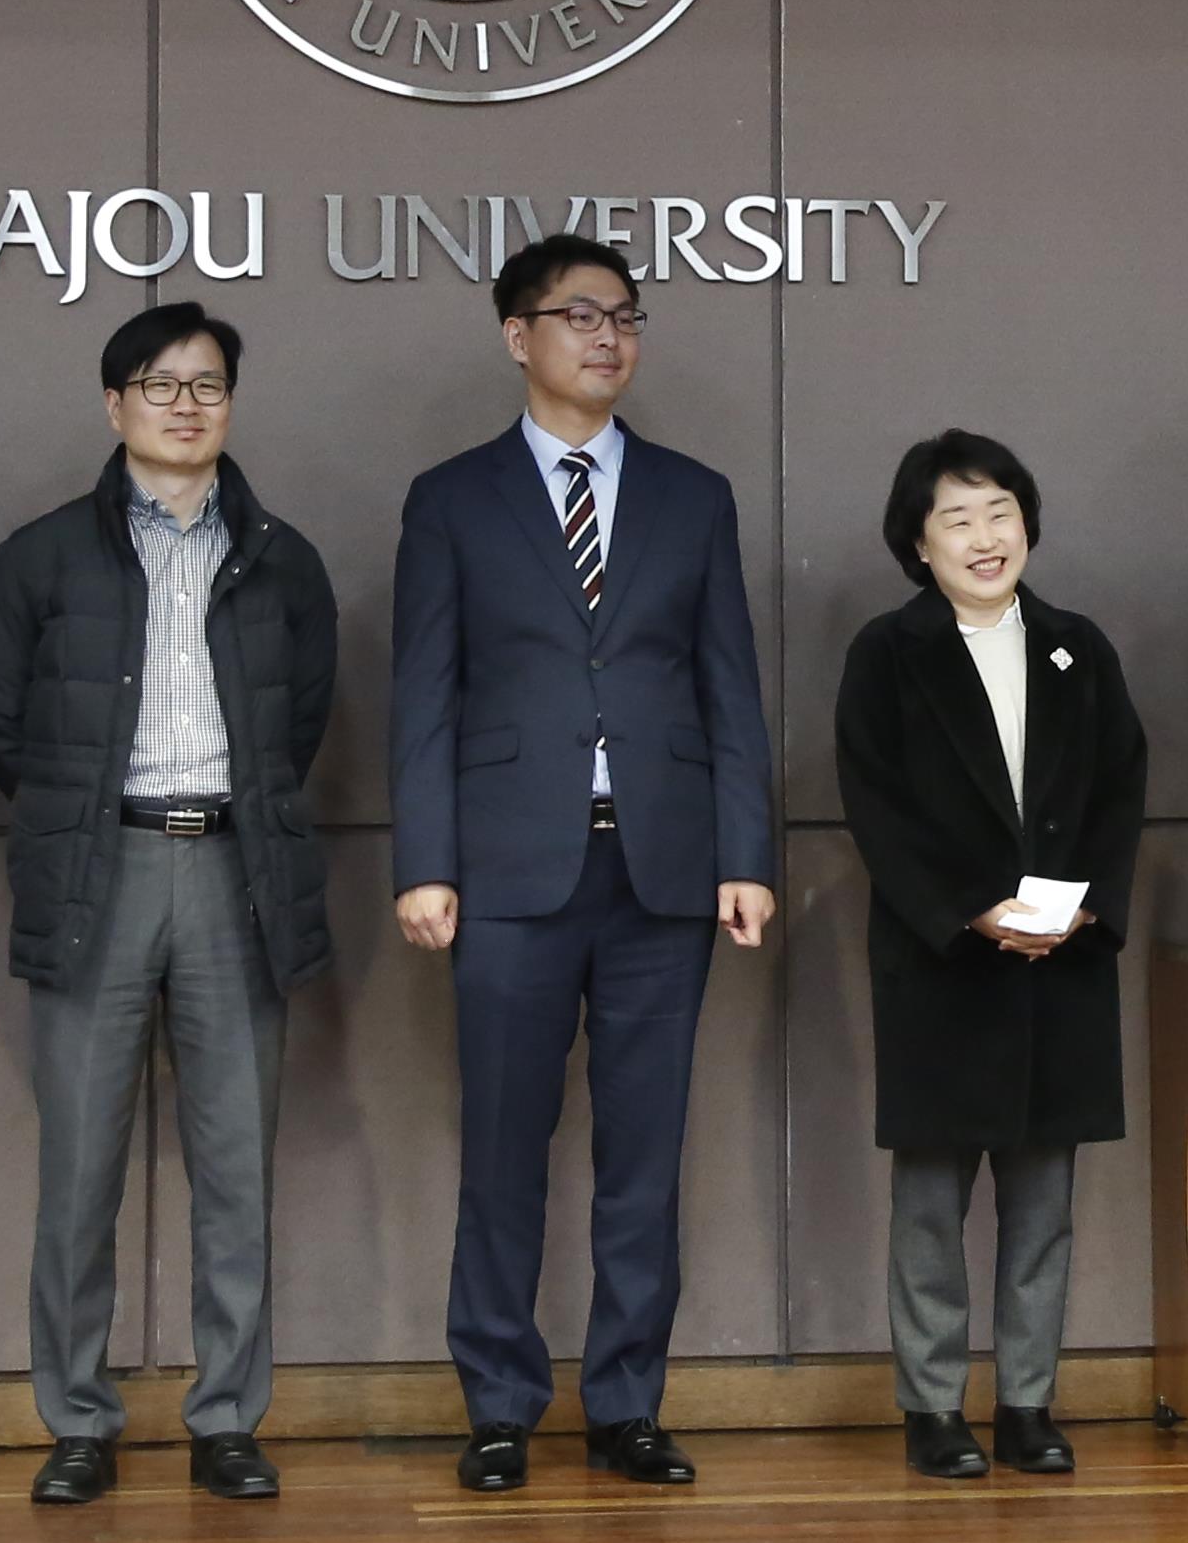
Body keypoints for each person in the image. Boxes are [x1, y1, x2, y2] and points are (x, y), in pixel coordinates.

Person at [390, 233, 776, 1493]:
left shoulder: (694, 493)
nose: (607, 336)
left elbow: (730, 688)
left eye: (624, 315)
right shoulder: (450, 497)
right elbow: (424, 696)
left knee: (645, 1155)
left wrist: (747, 853)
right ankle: (499, 1404)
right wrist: (424, 862)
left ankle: (627, 1405)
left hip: (662, 868)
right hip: (504, 870)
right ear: (517, 336)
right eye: (577, 315)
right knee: (502, 1147)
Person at [0, 302, 338, 1505]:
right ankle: (78, 1416)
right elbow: (4, 730)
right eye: (159, 383)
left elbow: (304, 720)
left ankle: (226, 1415)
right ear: (114, 403)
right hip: (101, 869)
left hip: (235, 870)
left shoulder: (282, 556)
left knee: (237, 1167)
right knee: (78, 1168)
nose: (186, 405)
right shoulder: (39, 557)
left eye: (209, 385)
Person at [834, 431, 1146, 1479]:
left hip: (1058, 961)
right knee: (930, 1202)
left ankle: (1026, 1404)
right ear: (917, 543)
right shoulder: (889, 651)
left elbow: (1118, 790)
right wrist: (969, 910)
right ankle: (931, 1408)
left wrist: (1082, 909)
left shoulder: (1076, 645)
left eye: (1000, 511)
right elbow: (873, 805)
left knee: (1044, 1204)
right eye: (957, 518)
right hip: (941, 964)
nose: (984, 536)